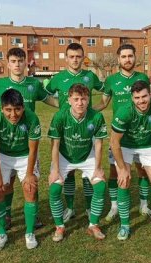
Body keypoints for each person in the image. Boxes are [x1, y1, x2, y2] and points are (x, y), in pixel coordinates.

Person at [0, 47, 58, 230]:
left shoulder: (34, 84)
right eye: (13, 61)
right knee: (7, 184)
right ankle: (6, 213)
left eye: (20, 61)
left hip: (27, 144)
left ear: (25, 63)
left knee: (31, 183)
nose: (17, 65)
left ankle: (34, 215)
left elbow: (50, 100)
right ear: (8, 63)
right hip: (5, 145)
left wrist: (69, 107)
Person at [45, 43, 104, 223]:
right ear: (66, 58)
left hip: (86, 125)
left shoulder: (90, 76)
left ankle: (88, 207)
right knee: (68, 173)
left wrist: (99, 107)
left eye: (78, 56)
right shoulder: (59, 78)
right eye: (72, 56)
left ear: (83, 57)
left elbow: (106, 91)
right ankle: (70, 208)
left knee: (87, 172)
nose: (75, 60)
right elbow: (45, 95)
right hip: (66, 126)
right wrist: (60, 107)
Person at [93, 44, 151, 221]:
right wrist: (86, 112)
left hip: (142, 135)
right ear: (118, 59)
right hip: (119, 137)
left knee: (142, 171)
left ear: (135, 58)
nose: (127, 59)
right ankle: (114, 206)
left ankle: (143, 204)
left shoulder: (143, 78)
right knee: (114, 171)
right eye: (124, 56)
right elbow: (103, 103)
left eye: (130, 56)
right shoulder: (111, 80)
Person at [48, 83, 108, 242]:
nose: (80, 103)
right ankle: (59, 226)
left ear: (88, 100)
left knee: (100, 185)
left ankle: (93, 225)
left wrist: (98, 167)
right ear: (69, 100)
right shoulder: (60, 116)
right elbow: (54, 144)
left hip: (87, 156)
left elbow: (99, 144)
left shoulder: (96, 116)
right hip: (64, 156)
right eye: (76, 99)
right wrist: (55, 168)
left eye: (83, 99)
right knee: (54, 188)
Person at [110, 80, 151, 240]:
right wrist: (122, 168)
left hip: (147, 144)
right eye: (137, 98)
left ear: (150, 94)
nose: (141, 101)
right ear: (132, 98)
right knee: (124, 180)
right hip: (125, 146)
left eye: (144, 96)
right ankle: (125, 225)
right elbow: (114, 142)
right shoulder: (124, 112)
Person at [0, 89, 41, 250]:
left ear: (23, 107)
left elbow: (33, 150)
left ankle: (29, 233)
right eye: (8, 110)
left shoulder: (31, 118)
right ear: (2, 109)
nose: (13, 114)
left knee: (30, 188)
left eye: (17, 109)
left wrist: (30, 174)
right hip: (2, 156)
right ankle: (2, 232)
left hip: (25, 156)